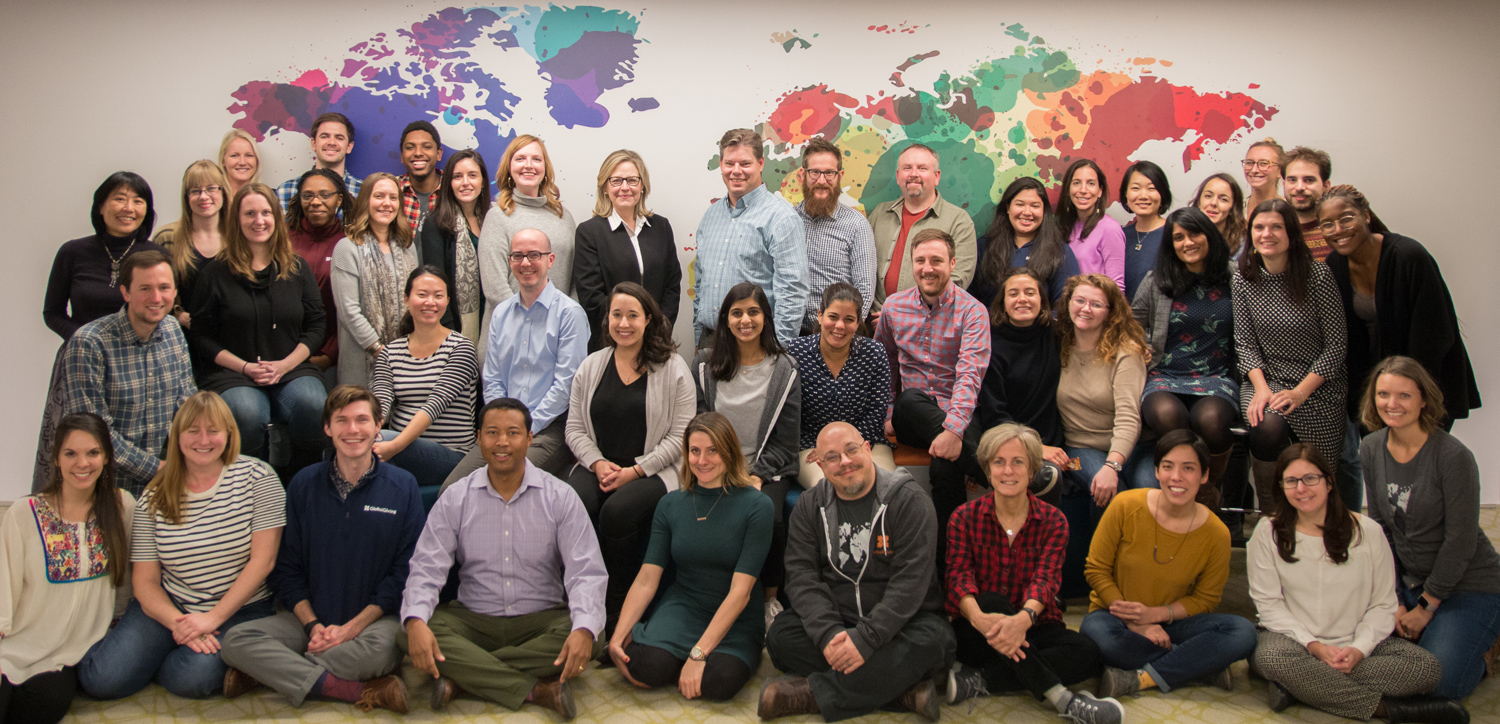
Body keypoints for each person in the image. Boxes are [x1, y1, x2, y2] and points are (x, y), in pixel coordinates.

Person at [220, 386, 422, 713]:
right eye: (342, 420)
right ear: (327, 428)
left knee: (383, 651)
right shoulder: (303, 484)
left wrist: (352, 628)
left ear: (378, 426)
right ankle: (352, 688)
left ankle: (269, 673)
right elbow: (286, 568)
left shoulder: (403, 486)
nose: (352, 429)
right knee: (235, 641)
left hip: (372, 624)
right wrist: (313, 625)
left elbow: (405, 574)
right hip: (308, 623)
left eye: (362, 420)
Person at [400, 398, 606, 717]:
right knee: (409, 630)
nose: (502, 442)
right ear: (479, 438)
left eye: (513, 432)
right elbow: (426, 568)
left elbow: (586, 573)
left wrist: (582, 630)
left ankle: (467, 677)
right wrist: (415, 620)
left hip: (540, 620)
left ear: (529, 438)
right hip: (473, 620)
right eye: (492, 432)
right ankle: (536, 690)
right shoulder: (456, 497)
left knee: (592, 633)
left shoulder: (561, 497)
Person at [77, 391, 284, 700]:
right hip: (171, 606)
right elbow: (145, 581)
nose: (203, 440)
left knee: (188, 678)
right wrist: (179, 624)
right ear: (177, 436)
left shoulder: (259, 478)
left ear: (229, 434)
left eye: (213, 430)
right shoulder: (154, 495)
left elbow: (263, 562)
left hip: (240, 609)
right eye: (193, 430)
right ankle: (188, 653)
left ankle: (232, 662)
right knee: (101, 679)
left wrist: (211, 619)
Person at [1248, 443, 1463, 723]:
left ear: (1329, 482)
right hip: (1293, 642)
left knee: (1425, 668)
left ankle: (1298, 687)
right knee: (1272, 658)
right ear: (1282, 487)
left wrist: (1359, 649)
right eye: (1291, 481)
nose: (1301, 488)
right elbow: (1269, 605)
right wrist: (1314, 646)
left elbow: (1383, 604)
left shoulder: (1368, 532)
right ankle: (1388, 710)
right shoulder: (1267, 532)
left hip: (1356, 643)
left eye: (1310, 478)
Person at [759, 421, 955, 722]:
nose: (845, 461)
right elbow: (801, 577)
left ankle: (812, 695)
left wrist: (866, 639)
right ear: (820, 465)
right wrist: (829, 634)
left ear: (867, 449)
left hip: (904, 622)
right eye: (832, 457)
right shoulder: (810, 506)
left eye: (851, 450)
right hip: (840, 617)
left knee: (935, 642)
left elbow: (909, 585)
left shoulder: (909, 500)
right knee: (781, 637)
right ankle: (901, 691)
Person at [943, 423, 1120, 724]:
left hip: (1032, 622)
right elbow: (958, 578)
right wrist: (979, 618)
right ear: (988, 471)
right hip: (979, 627)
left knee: (1087, 653)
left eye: (1017, 462)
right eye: (999, 462)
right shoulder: (963, 517)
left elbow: (1045, 581)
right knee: (993, 601)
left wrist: (1022, 620)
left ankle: (982, 680)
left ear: (1032, 470)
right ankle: (1064, 700)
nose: (1008, 471)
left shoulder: (1054, 520)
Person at [1359, 357, 1500, 702]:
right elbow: (1380, 532)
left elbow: (1460, 541)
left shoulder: (1453, 456)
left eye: (1404, 395)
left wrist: (1425, 608)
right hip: (1410, 582)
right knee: (1345, 643)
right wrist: (1393, 600)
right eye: (1383, 394)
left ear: (1424, 399)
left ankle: (1490, 645)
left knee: (1441, 680)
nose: (1392, 404)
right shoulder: (1371, 447)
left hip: (1468, 585)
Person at [607, 413, 773, 702]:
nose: (702, 460)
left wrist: (699, 654)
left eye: (712, 451)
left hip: (735, 615)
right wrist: (617, 637)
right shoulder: (670, 503)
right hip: (683, 606)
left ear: (729, 452)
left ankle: (683, 659)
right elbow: (647, 579)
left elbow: (741, 592)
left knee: (719, 681)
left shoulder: (757, 505)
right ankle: (665, 655)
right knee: (645, 665)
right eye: (695, 451)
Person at [1080, 430, 1256, 699]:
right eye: (1168, 466)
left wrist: (1154, 616)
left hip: (1172, 621)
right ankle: (1199, 665)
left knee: (1242, 632)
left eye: (1189, 468)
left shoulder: (1217, 533)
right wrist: (1136, 622)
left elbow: (1206, 599)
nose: (1176, 477)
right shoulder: (1125, 505)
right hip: (1114, 615)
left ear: (1204, 475)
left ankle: (1144, 676)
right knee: (1096, 635)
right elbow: (1096, 569)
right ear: (1157, 471)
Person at [564, 282, 693, 633]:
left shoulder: (673, 368)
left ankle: (617, 604)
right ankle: (578, 599)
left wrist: (635, 471)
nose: (623, 323)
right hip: (599, 464)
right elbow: (574, 428)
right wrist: (597, 463)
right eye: (616, 315)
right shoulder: (591, 365)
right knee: (571, 500)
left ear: (648, 319)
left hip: (655, 470)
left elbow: (681, 436)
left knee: (617, 512)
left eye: (632, 315)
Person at [0, 413, 134, 724]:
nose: (82, 463)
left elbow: (125, 581)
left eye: (93, 452)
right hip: (17, 644)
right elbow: (5, 583)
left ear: (106, 457)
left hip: (66, 658)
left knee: (43, 706)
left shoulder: (122, 507)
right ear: (56, 459)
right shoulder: (25, 512)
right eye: (70, 453)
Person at [37, 171, 165, 492]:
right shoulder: (72, 251)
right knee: (82, 448)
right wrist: (87, 341)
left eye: (138, 201)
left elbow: (162, 312)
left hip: (138, 364)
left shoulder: (156, 255)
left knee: (128, 451)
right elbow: (52, 313)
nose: (128, 208)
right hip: (80, 362)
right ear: (101, 206)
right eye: (119, 198)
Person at [187, 183, 328, 472]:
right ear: (236, 220)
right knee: (246, 412)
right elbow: (201, 335)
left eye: (266, 213)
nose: (259, 220)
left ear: (276, 217)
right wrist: (244, 367)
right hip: (234, 373)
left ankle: (300, 481)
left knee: (314, 405)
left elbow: (317, 324)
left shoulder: (297, 268)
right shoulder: (215, 273)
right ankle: (254, 482)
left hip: (291, 368)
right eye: (249, 213)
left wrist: (285, 365)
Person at [1323, 185, 1478, 429]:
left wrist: (1407, 395)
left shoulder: (1408, 256)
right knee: (1379, 453)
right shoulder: (1335, 264)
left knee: (1420, 453)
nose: (1338, 230)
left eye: (1346, 219)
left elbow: (1435, 337)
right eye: (1328, 224)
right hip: (1375, 394)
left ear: (1366, 216)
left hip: (1425, 389)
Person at [876, 229, 990, 558]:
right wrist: (888, 414)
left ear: (952, 264)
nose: (928, 268)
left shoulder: (972, 311)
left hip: (960, 413)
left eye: (937, 261)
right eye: (921, 261)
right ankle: (1000, 476)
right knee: (911, 399)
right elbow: (885, 367)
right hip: (910, 417)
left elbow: (970, 374)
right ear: (912, 264)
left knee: (944, 467)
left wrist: (953, 429)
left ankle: (946, 565)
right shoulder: (893, 308)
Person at [445, 228, 589, 484]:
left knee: (501, 481)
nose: (525, 263)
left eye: (534, 255)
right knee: (452, 489)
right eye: (517, 256)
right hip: (504, 426)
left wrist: (523, 427)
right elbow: (492, 378)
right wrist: (504, 425)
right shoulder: (501, 313)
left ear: (550, 260)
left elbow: (566, 385)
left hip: (549, 428)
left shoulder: (570, 314)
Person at [692, 282, 800, 618]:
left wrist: (757, 476)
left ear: (766, 317)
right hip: (715, 466)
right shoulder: (705, 364)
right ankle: (707, 598)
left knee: (770, 516)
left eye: (753, 312)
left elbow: (786, 442)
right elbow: (699, 426)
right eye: (736, 313)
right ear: (725, 319)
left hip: (767, 468)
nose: (745, 320)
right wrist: (719, 468)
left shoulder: (785, 369)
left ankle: (769, 601)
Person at [1233, 199, 1347, 512]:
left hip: (1318, 385)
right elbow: (1244, 343)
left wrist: (1299, 393)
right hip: (1266, 379)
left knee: (1318, 466)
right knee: (1265, 424)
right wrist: (1261, 389)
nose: (1266, 234)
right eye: (1259, 227)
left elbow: (1336, 346)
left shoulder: (1318, 276)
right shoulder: (1243, 278)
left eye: (1276, 227)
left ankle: (1317, 519)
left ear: (1291, 234)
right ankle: (1273, 516)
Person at [64, 251, 197, 495]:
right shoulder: (89, 343)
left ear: (175, 292)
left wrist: (193, 461)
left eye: (164, 288)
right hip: (106, 488)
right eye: (145, 288)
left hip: (165, 480)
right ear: (125, 293)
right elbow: (94, 434)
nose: (156, 298)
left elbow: (187, 405)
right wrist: (160, 470)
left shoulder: (172, 329)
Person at [1055, 274, 1149, 597]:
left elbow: (1129, 416)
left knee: (1150, 491)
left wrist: (1113, 464)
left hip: (1129, 446)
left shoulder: (1126, 352)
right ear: (1068, 303)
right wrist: (1106, 471)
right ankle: (1105, 583)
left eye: (1097, 304)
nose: (1086, 309)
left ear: (1111, 311)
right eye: (1079, 301)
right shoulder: (1057, 343)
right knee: (1110, 493)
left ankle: (1145, 583)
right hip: (1078, 448)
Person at [1131, 207, 1238, 491]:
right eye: (1178, 238)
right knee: (1168, 417)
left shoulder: (1234, 276)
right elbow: (1131, 324)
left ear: (1209, 235)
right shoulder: (1157, 280)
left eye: (1194, 234)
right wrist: (1140, 346)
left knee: (1211, 421)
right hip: (1164, 375)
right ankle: (1183, 493)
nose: (1187, 243)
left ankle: (1207, 491)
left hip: (1216, 376)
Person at [371, 267, 478, 504]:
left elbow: (434, 406)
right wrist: (366, 432)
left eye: (438, 296)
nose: (430, 302)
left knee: (376, 440)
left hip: (451, 455)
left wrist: (393, 445)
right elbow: (379, 404)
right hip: (398, 447)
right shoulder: (390, 352)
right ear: (406, 299)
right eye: (422, 295)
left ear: (447, 301)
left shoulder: (460, 348)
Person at [694, 128, 808, 345]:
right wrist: (699, 337)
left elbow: (792, 292)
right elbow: (700, 284)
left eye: (745, 163)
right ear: (721, 164)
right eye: (729, 163)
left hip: (756, 345)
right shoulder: (711, 215)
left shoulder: (781, 217)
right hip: (710, 342)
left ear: (761, 163)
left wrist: (779, 351)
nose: (736, 171)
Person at [785, 283, 894, 488]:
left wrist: (847, 447)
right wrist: (827, 448)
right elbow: (789, 412)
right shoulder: (796, 351)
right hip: (812, 446)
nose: (840, 326)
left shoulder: (874, 353)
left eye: (849, 319)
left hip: (865, 440)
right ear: (820, 316)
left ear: (858, 322)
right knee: (828, 487)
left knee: (886, 486)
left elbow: (877, 411)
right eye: (833, 317)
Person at [572, 149, 681, 351]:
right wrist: (628, 329)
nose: (625, 187)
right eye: (616, 181)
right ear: (605, 187)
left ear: (642, 185)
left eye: (632, 180)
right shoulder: (589, 232)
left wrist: (656, 330)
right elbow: (591, 297)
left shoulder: (661, 227)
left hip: (656, 342)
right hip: (611, 343)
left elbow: (672, 286)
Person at [477, 134, 578, 339]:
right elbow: (495, 288)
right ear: (509, 167)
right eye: (520, 158)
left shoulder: (563, 217)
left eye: (536, 159)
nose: (529, 165)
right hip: (510, 334)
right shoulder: (498, 216)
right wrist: (531, 323)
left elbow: (575, 279)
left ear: (545, 168)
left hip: (557, 332)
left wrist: (566, 318)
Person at [976, 269, 1066, 494]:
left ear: (1042, 300)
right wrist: (1035, 448)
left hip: (1053, 440)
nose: (1022, 299)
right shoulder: (990, 344)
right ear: (1003, 303)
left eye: (1030, 293)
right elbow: (994, 413)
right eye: (1013, 293)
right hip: (1006, 440)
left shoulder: (1057, 334)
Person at [868, 143, 977, 318]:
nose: (914, 174)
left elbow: (958, 279)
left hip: (928, 324)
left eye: (922, 168)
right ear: (898, 176)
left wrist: (900, 314)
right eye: (907, 168)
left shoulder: (958, 221)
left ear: (936, 176)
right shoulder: (879, 214)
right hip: (875, 323)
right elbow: (862, 268)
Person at [331, 172, 419, 388]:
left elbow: (414, 300)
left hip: (406, 360)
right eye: (379, 196)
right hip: (362, 360)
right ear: (365, 201)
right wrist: (381, 351)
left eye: (393, 197)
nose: (386, 203)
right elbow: (349, 312)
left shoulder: (407, 247)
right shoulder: (347, 248)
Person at [795, 138, 875, 333]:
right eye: (815, 172)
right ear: (802, 175)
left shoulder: (856, 225)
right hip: (793, 333)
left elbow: (864, 291)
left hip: (838, 334)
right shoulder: (788, 220)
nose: (822, 181)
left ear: (840, 176)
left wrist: (844, 332)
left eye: (829, 173)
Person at [968, 177, 1080, 305]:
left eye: (1035, 206)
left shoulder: (1060, 251)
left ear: (1044, 210)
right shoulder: (984, 246)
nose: (1027, 212)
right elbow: (968, 299)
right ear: (1008, 207)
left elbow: (1065, 304)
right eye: (1020, 204)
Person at [417, 149, 490, 345]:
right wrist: (447, 331)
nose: (465, 182)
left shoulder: (491, 220)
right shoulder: (435, 224)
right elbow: (435, 284)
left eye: (472, 175)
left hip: (491, 315)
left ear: (483, 181)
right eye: (457, 176)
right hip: (455, 325)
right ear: (449, 183)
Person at [287, 168, 353, 381]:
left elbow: (353, 307)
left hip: (334, 355)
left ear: (339, 199)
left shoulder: (351, 241)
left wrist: (329, 355)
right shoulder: (282, 239)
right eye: (308, 196)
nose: (316, 202)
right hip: (286, 353)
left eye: (325, 195)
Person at [154, 160, 228, 329]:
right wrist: (178, 315)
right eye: (195, 191)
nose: (204, 196)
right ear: (186, 197)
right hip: (179, 333)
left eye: (211, 188)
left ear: (223, 192)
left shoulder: (239, 237)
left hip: (228, 334)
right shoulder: (166, 237)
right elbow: (156, 289)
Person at [1058, 159, 1126, 291]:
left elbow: (1116, 288)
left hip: (1094, 303)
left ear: (1100, 191)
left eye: (1091, 183)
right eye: (1076, 183)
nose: (1083, 190)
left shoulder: (1110, 228)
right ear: (1067, 190)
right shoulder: (1062, 227)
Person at [274, 112, 363, 210]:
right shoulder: (286, 190)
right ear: (314, 143)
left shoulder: (363, 192)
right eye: (324, 136)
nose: (331, 142)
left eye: (339, 138)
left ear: (349, 146)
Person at [1120, 160, 1171, 301]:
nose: (1143, 196)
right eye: (1135, 188)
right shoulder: (1120, 235)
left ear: (1162, 194)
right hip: (1122, 314)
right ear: (1126, 194)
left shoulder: (1174, 234)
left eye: (1151, 188)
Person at [1281, 146, 1333, 262]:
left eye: (1309, 180)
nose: (1299, 187)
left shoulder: (1338, 231)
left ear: (1326, 186)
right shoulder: (1274, 231)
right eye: (1292, 180)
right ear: (1284, 184)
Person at [397, 121, 443, 230]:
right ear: (402, 156)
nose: (418, 153)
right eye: (410, 147)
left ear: (438, 154)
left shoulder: (454, 188)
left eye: (426, 147)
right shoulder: (391, 190)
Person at [1191, 173, 1248, 257]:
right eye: (1208, 196)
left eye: (1223, 199)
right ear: (1199, 201)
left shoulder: (1243, 245)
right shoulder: (1183, 236)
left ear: (1233, 209)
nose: (1213, 203)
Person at [1242, 138, 1283, 220]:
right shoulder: (1235, 207)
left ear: (1280, 171)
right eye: (1249, 163)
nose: (1254, 170)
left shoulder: (1290, 210)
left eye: (1264, 163)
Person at [218, 129, 262, 199]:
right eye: (234, 155)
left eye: (249, 155)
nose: (242, 162)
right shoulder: (213, 199)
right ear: (223, 160)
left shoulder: (269, 199)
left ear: (257, 160)